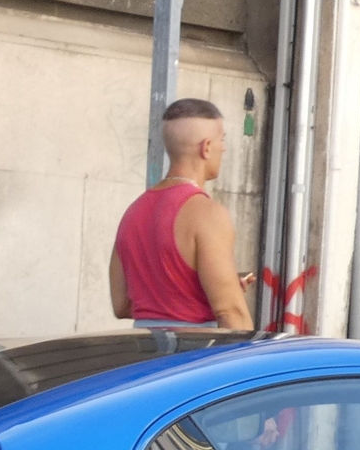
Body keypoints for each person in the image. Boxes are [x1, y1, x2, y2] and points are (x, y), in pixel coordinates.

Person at [109, 97, 254, 332]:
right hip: (193, 356)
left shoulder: (133, 212)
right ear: (206, 147)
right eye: (222, 139)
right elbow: (231, 313)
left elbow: (122, 304)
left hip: (140, 352)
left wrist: (198, 290)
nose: (224, 148)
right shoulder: (208, 214)